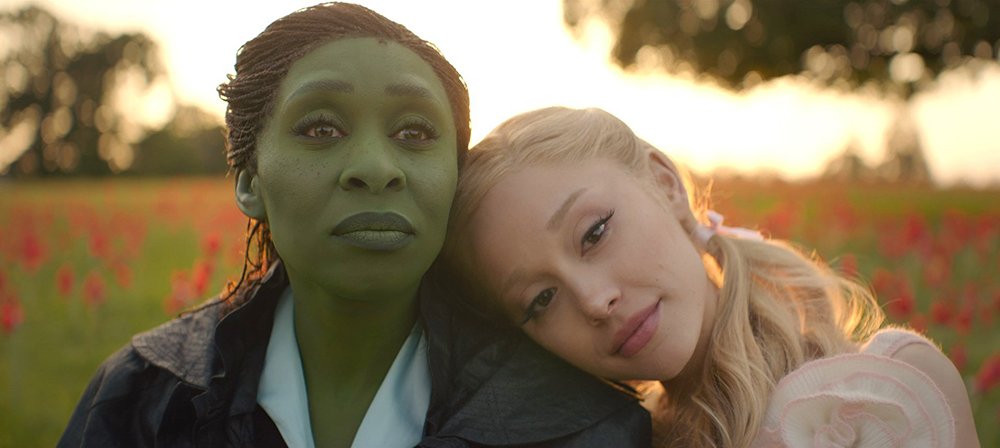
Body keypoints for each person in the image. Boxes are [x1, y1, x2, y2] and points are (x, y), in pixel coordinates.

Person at [59, 5, 649, 447]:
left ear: (455, 178)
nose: (375, 168)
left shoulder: (584, 424)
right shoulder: (139, 396)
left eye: (414, 132)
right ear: (249, 180)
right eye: (321, 129)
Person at [442, 106, 980, 447]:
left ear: (665, 184)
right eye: (541, 300)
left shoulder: (888, 396)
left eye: (594, 233)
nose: (594, 301)